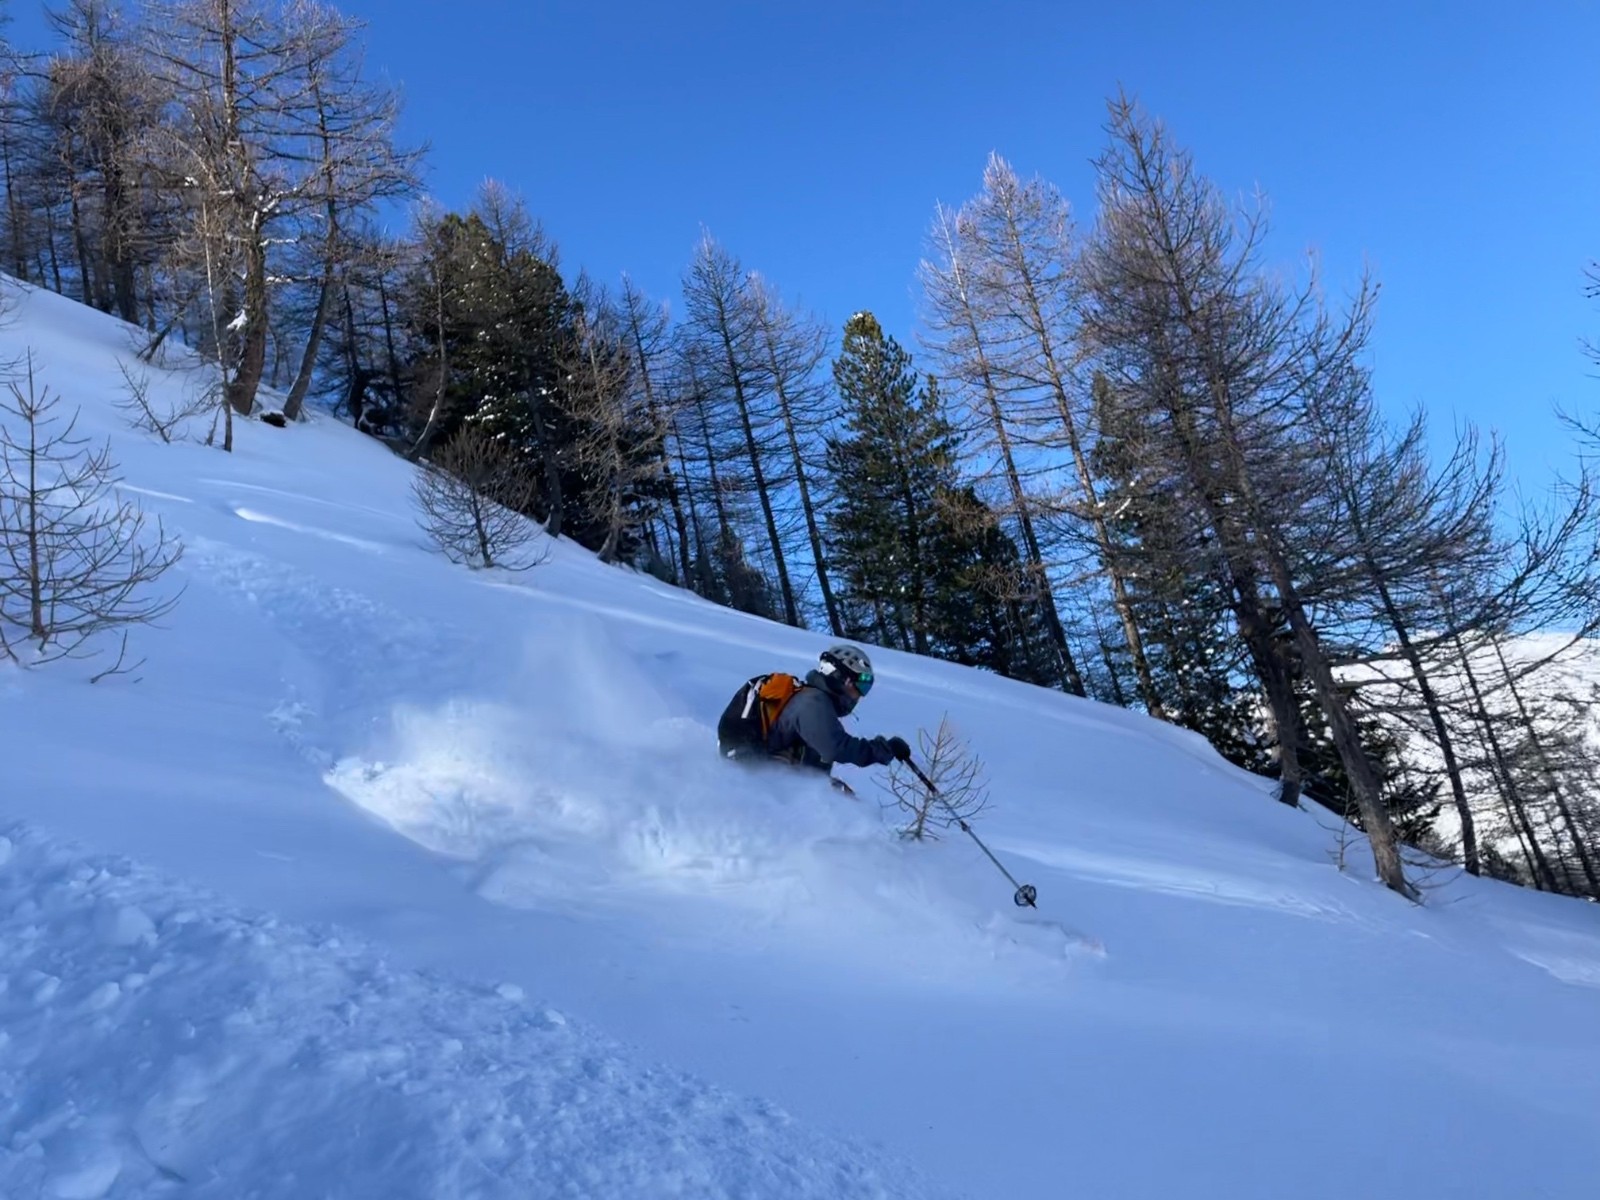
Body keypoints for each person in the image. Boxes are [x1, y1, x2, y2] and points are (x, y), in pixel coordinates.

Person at [717, 644, 911, 779]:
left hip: (762, 769)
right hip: (756, 770)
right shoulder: (813, 701)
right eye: (859, 685)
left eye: (865, 689)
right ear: (840, 678)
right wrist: (883, 749)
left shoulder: (812, 700)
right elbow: (836, 747)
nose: (859, 695)